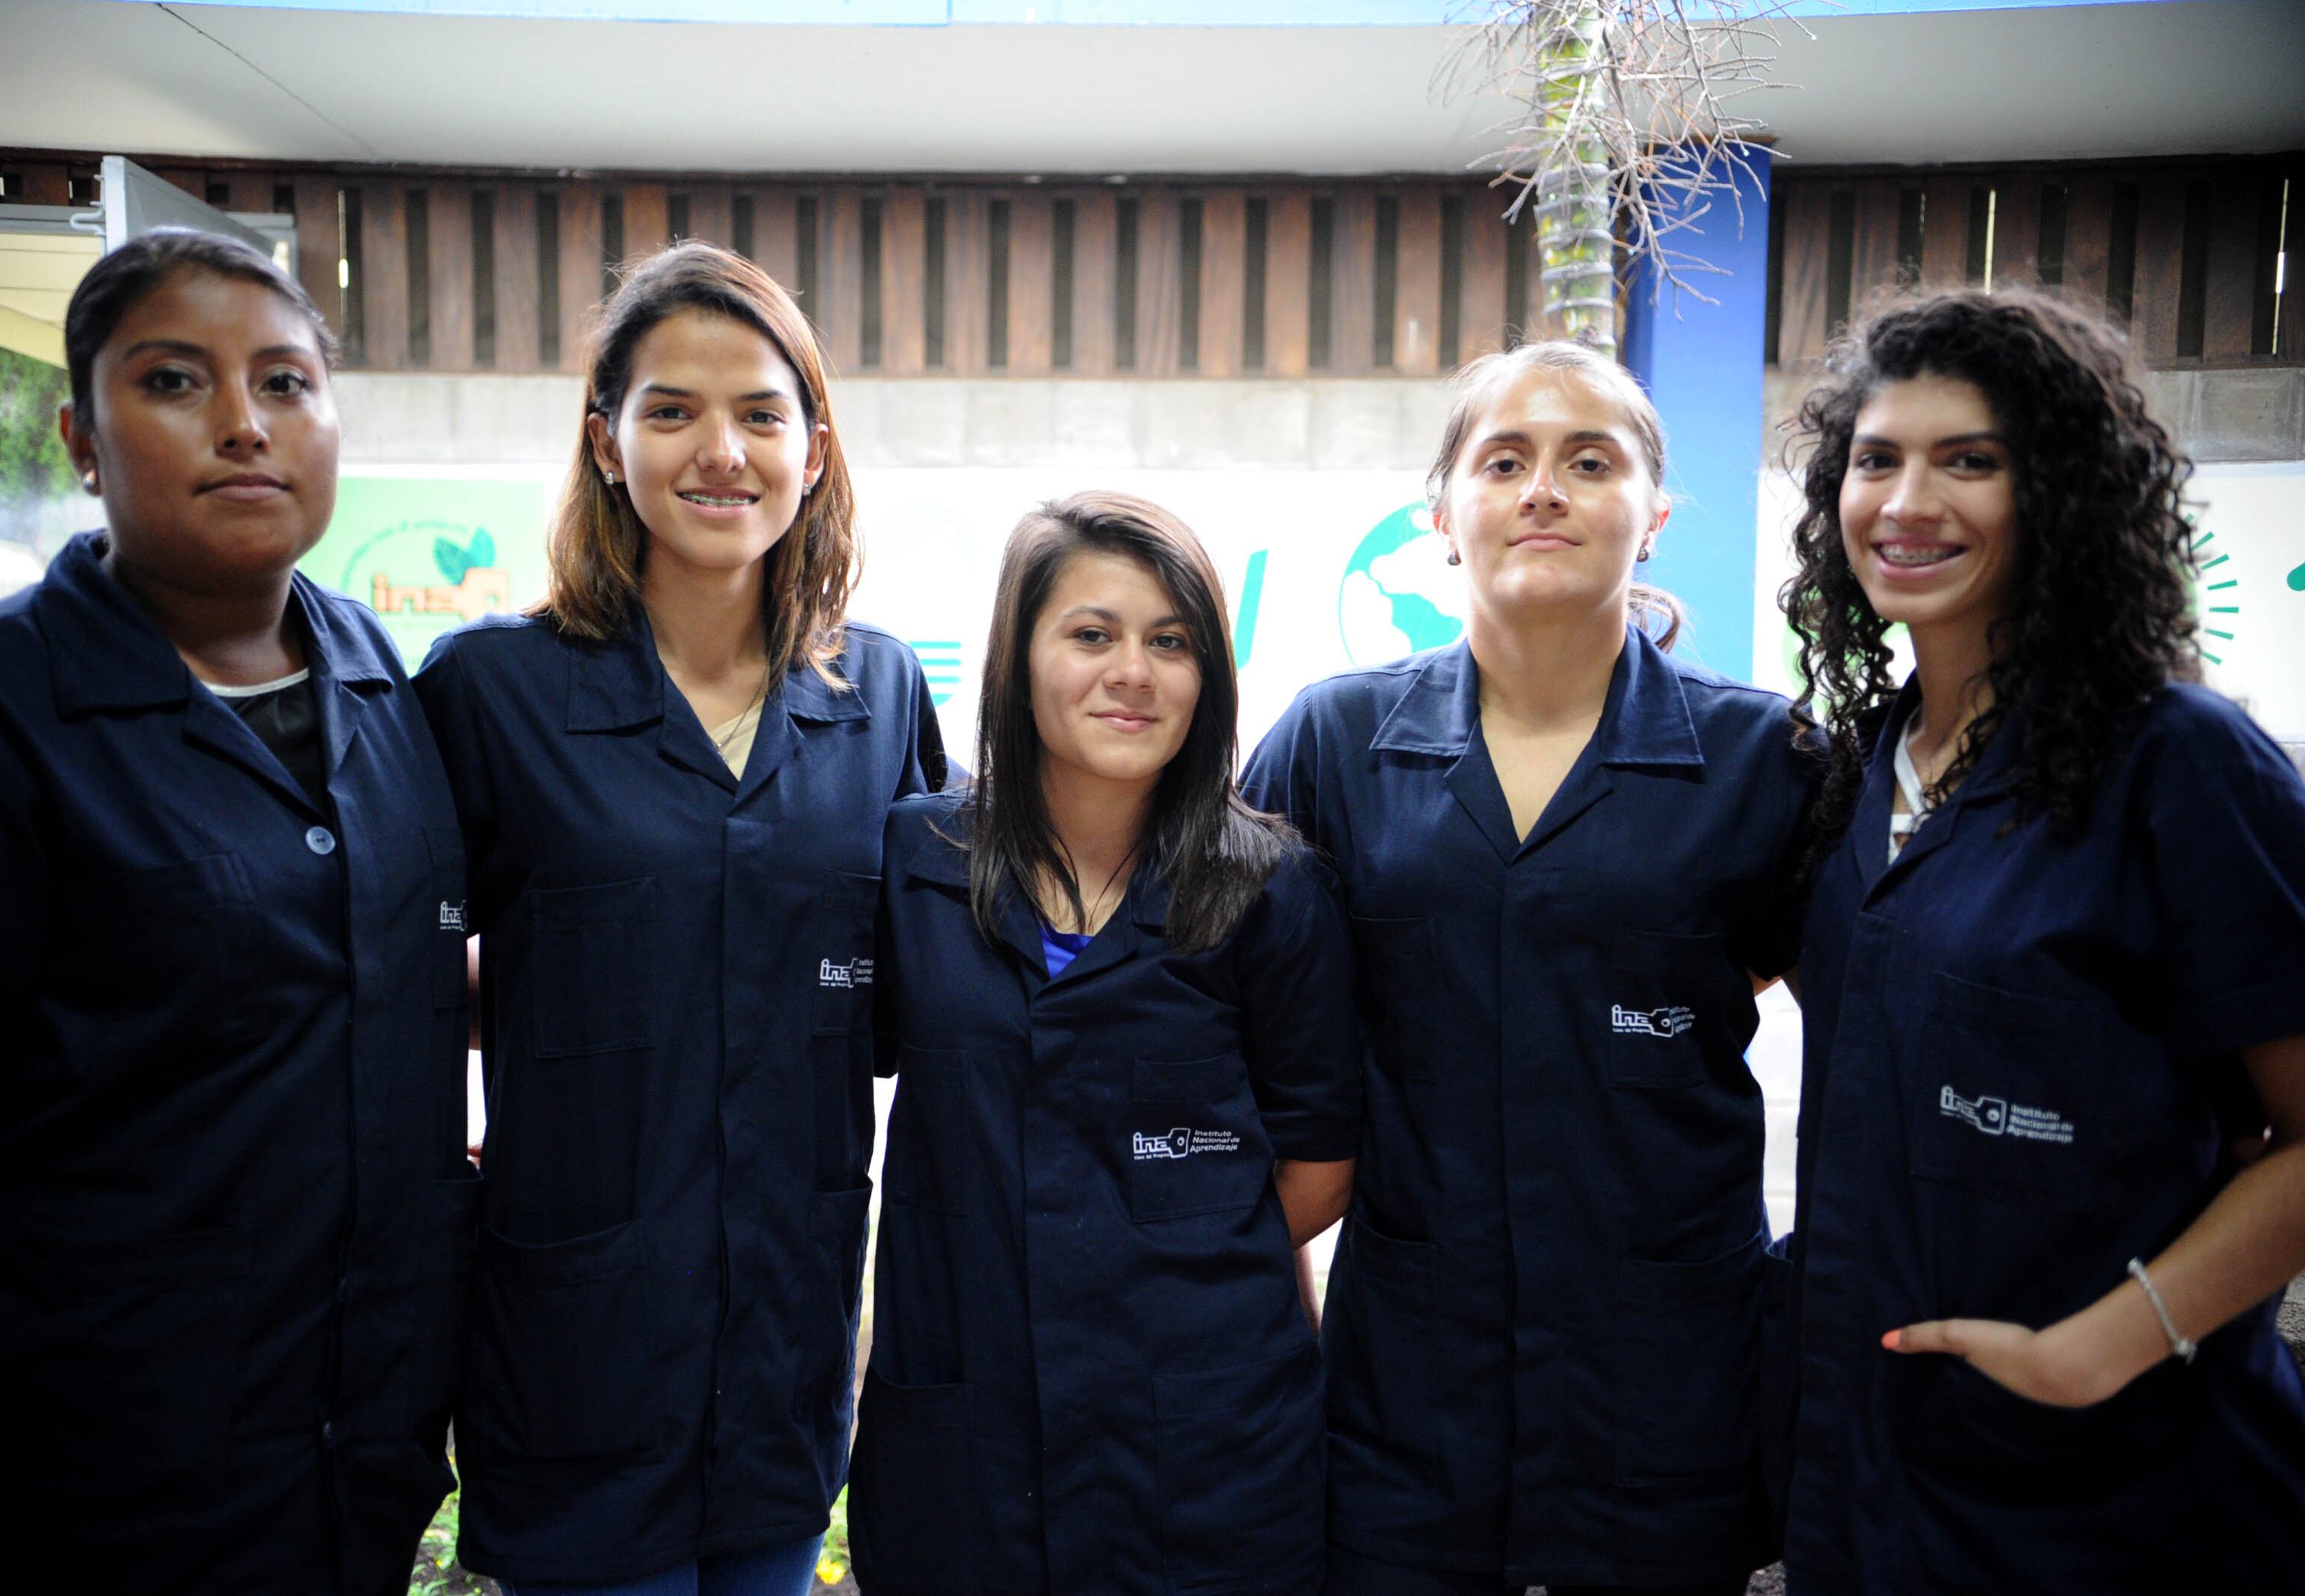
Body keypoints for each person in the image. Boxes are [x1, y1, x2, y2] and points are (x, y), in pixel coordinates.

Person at [0, 228, 477, 1592]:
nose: (243, 424)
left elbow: (374, 986)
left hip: (358, 1476)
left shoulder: (378, 676)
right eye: (173, 381)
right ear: (81, 441)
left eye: (285, 383)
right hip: (96, 1492)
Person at [413, 241, 944, 1596]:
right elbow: (393, 984)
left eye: (762, 413)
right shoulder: (491, 693)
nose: (722, 451)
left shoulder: (881, 696)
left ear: (814, 451)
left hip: (783, 1358)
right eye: (672, 411)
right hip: (576, 1360)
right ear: (606, 441)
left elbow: (920, 993)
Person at [1244, 343, 1817, 1595]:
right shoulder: (1332, 744)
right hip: (1406, 1405)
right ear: (1443, 516)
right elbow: (1219, 1040)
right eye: (1503, 462)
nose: (1543, 490)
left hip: (1669, 1401)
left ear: (1653, 518)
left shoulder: (1765, 761)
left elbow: (1879, 1043)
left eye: (1589, 462)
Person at [1767, 288, 2305, 1592]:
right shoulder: (1854, 777)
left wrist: (2103, 1349)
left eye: (1970, 461)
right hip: (1868, 1477)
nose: (1907, 502)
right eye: (1877, 461)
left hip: (2119, 1493)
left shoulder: (2180, 764)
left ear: (2059, 495)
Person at [847, 492, 1361, 1595]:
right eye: (1092, 634)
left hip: (1206, 1443)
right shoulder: (912, 862)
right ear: (1018, 659)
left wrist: (1156, 1249)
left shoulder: (1271, 888)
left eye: (1171, 642)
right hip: (966, 1440)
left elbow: (1320, 1165)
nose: (1133, 672)